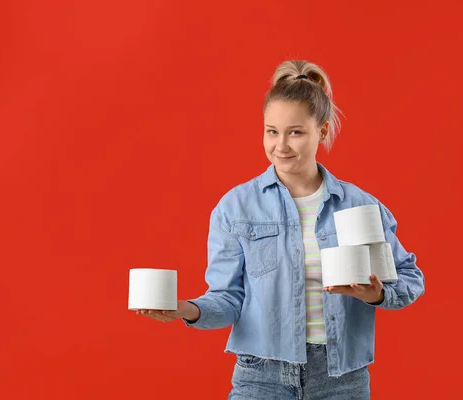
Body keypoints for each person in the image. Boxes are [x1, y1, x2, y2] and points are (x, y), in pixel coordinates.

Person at [136, 60, 425, 399]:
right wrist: (185, 309)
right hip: (261, 375)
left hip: (341, 379)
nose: (281, 145)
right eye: (272, 131)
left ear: (322, 130)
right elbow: (227, 299)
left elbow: (409, 278)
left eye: (295, 132)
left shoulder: (360, 206)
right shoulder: (236, 207)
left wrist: (376, 294)